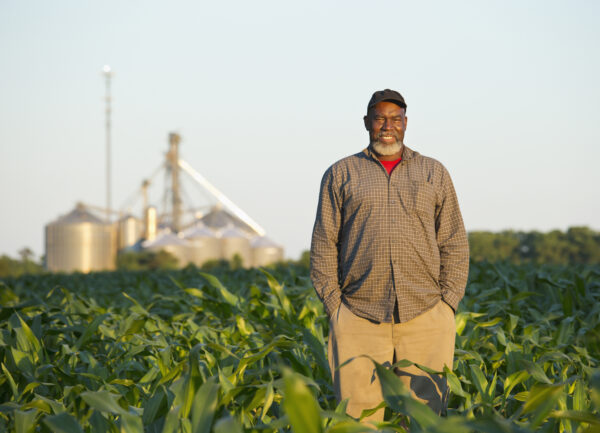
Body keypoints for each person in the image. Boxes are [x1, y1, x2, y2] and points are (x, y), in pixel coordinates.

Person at [310, 89, 469, 421]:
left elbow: (453, 241)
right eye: (380, 118)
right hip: (358, 315)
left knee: (426, 421)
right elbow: (324, 244)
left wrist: (447, 304)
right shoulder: (341, 174)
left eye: (395, 119)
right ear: (367, 122)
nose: (387, 125)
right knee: (358, 420)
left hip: (426, 314)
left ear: (406, 124)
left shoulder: (433, 172)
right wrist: (335, 308)